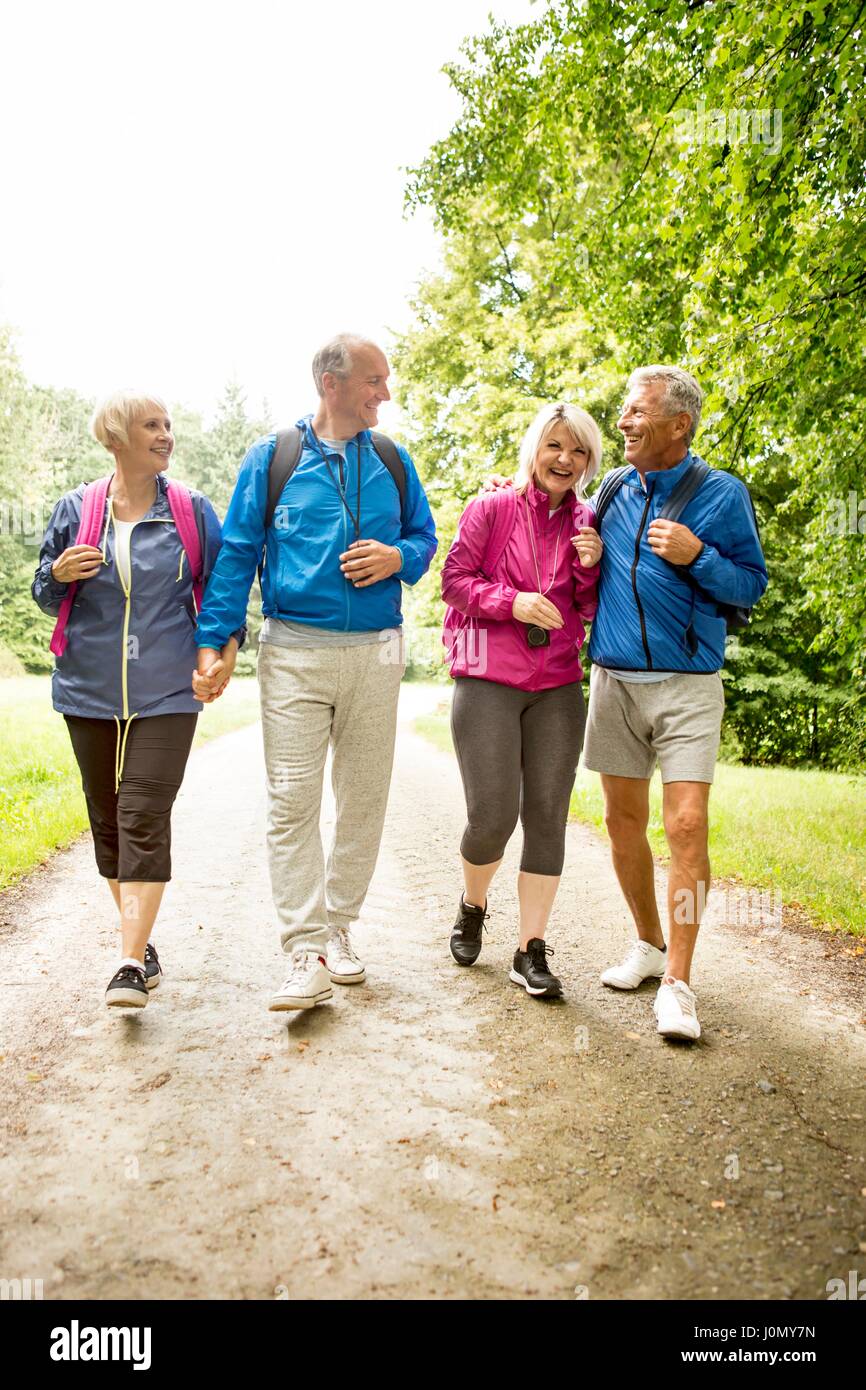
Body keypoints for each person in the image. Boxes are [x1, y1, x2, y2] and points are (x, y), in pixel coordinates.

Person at [192, 334, 437, 1011]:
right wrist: (214, 641)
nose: (385, 392)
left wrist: (397, 559)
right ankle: (305, 950)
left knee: (363, 797)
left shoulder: (391, 458)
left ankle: (339, 928)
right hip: (295, 650)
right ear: (333, 382)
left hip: (377, 652)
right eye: (375, 380)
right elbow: (237, 554)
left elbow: (424, 536)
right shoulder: (274, 459)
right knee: (293, 799)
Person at [32, 390, 244, 1010]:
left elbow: (222, 590)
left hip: (168, 687)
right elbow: (44, 593)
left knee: (141, 813)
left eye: (169, 425)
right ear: (116, 436)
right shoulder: (76, 509)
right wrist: (57, 575)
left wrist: (223, 653)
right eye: (152, 425)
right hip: (87, 687)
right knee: (106, 818)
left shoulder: (191, 510)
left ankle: (128, 961)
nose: (166, 435)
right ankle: (141, 938)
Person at [585, 365, 768, 1041]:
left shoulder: (721, 495)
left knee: (687, 825)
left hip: (689, 686)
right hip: (614, 682)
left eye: (636, 412)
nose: (624, 422)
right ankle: (647, 943)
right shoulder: (610, 490)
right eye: (624, 412)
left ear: (678, 424)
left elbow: (751, 586)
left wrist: (698, 557)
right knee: (621, 822)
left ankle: (679, 985)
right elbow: (549, 517)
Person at [441, 403, 602, 999]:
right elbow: (454, 581)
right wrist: (513, 602)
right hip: (487, 677)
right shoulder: (492, 506)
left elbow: (588, 609)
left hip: (557, 683)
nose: (566, 459)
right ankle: (472, 903)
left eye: (579, 450)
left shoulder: (588, 522)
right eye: (556, 446)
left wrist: (590, 566)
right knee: (492, 819)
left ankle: (530, 949)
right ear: (535, 448)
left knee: (547, 819)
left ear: (589, 461)